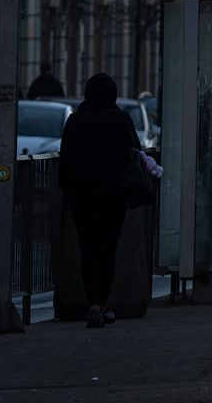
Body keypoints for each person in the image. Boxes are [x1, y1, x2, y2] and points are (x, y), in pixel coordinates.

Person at [58, 72, 142, 329]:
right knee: (107, 249)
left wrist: (67, 189)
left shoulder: (75, 121)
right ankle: (102, 304)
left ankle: (92, 304)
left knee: (88, 248)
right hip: (113, 194)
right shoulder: (121, 120)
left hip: (82, 194)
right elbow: (135, 151)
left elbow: (65, 159)